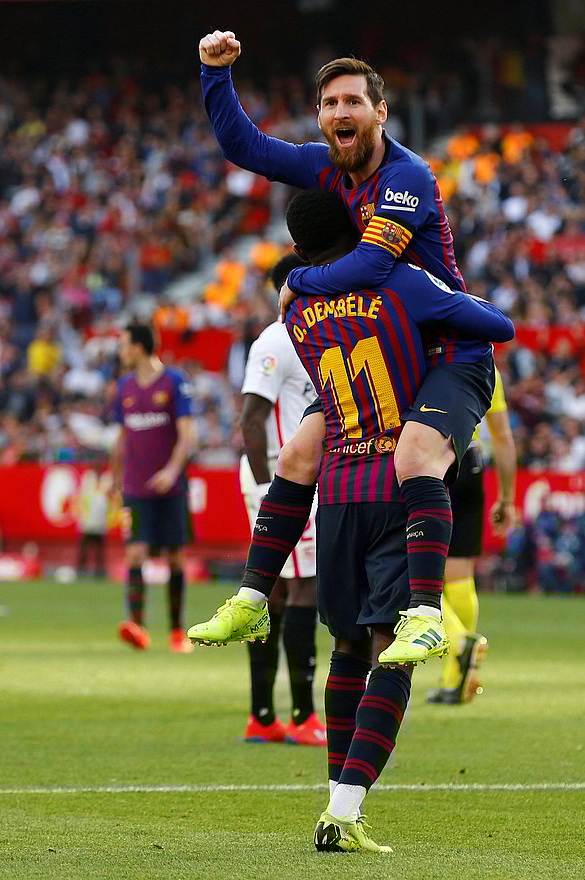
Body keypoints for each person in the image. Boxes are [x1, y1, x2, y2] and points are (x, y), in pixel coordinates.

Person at [194, 189, 513, 852]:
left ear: (303, 250)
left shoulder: (302, 309)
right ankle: (345, 808)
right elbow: (495, 325)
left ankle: (253, 597)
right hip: (398, 484)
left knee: (344, 647)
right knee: (393, 650)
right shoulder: (398, 282)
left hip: (337, 485)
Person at [198, 31, 498, 664]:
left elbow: (369, 264)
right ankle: (253, 599)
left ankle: (423, 615)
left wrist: (296, 282)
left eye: (353, 102)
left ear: (379, 112)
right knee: (299, 454)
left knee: (416, 453)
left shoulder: (406, 176)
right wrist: (214, 75)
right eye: (330, 103)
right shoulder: (324, 167)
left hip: (448, 352)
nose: (341, 112)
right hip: (383, 356)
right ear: (320, 114)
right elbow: (242, 145)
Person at [237, 254, 325, 746]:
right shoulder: (277, 340)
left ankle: (264, 717)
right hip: (281, 480)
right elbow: (251, 417)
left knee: (271, 594)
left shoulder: (308, 337)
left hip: (291, 478)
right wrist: (269, 488)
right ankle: (301, 716)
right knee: (303, 588)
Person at [427, 367, 517, 705]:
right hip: (472, 462)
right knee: (460, 576)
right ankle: (457, 679)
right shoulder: (487, 365)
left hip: (432, 458)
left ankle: (461, 640)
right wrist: (507, 498)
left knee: (408, 570)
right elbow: (504, 437)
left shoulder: (430, 352)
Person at [110, 323, 197, 652]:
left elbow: (188, 434)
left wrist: (172, 471)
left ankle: (177, 631)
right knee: (135, 552)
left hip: (170, 487)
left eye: (124, 345)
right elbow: (122, 437)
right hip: (135, 486)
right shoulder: (124, 387)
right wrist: (113, 476)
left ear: (139, 347)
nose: (120, 352)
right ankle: (137, 626)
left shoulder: (175, 381)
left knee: (175, 557)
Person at [74, 466, 110, 579]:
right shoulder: (88, 478)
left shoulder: (106, 479)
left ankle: (99, 570)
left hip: (100, 519)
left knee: (99, 547)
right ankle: (81, 569)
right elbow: (83, 496)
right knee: (84, 546)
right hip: (88, 519)